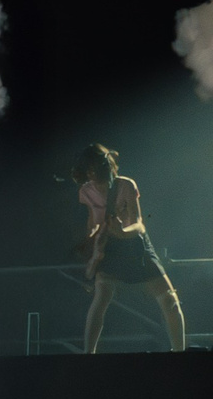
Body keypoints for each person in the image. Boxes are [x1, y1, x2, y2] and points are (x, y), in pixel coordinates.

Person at [71, 143, 185, 352]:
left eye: (95, 168)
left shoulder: (125, 185)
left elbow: (139, 224)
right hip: (109, 248)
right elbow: (91, 222)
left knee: (170, 301)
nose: (92, 174)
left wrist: (122, 232)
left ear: (104, 167)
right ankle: (88, 355)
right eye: (88, 170)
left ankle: (179, 352)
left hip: (135, 246)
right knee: (100, 298)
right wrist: (90, 242)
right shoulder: (85, 191)